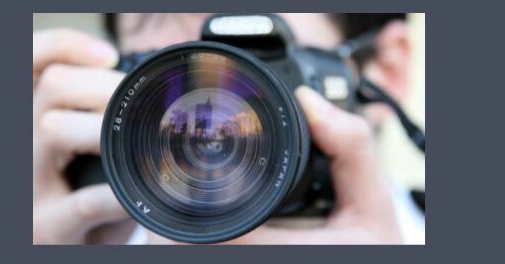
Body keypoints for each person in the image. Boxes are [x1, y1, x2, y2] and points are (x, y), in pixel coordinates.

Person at [32, 13, 417, 244]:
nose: (194, 138)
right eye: (165, 79)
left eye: (254, 77)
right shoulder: (93, 238)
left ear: (386, 70)